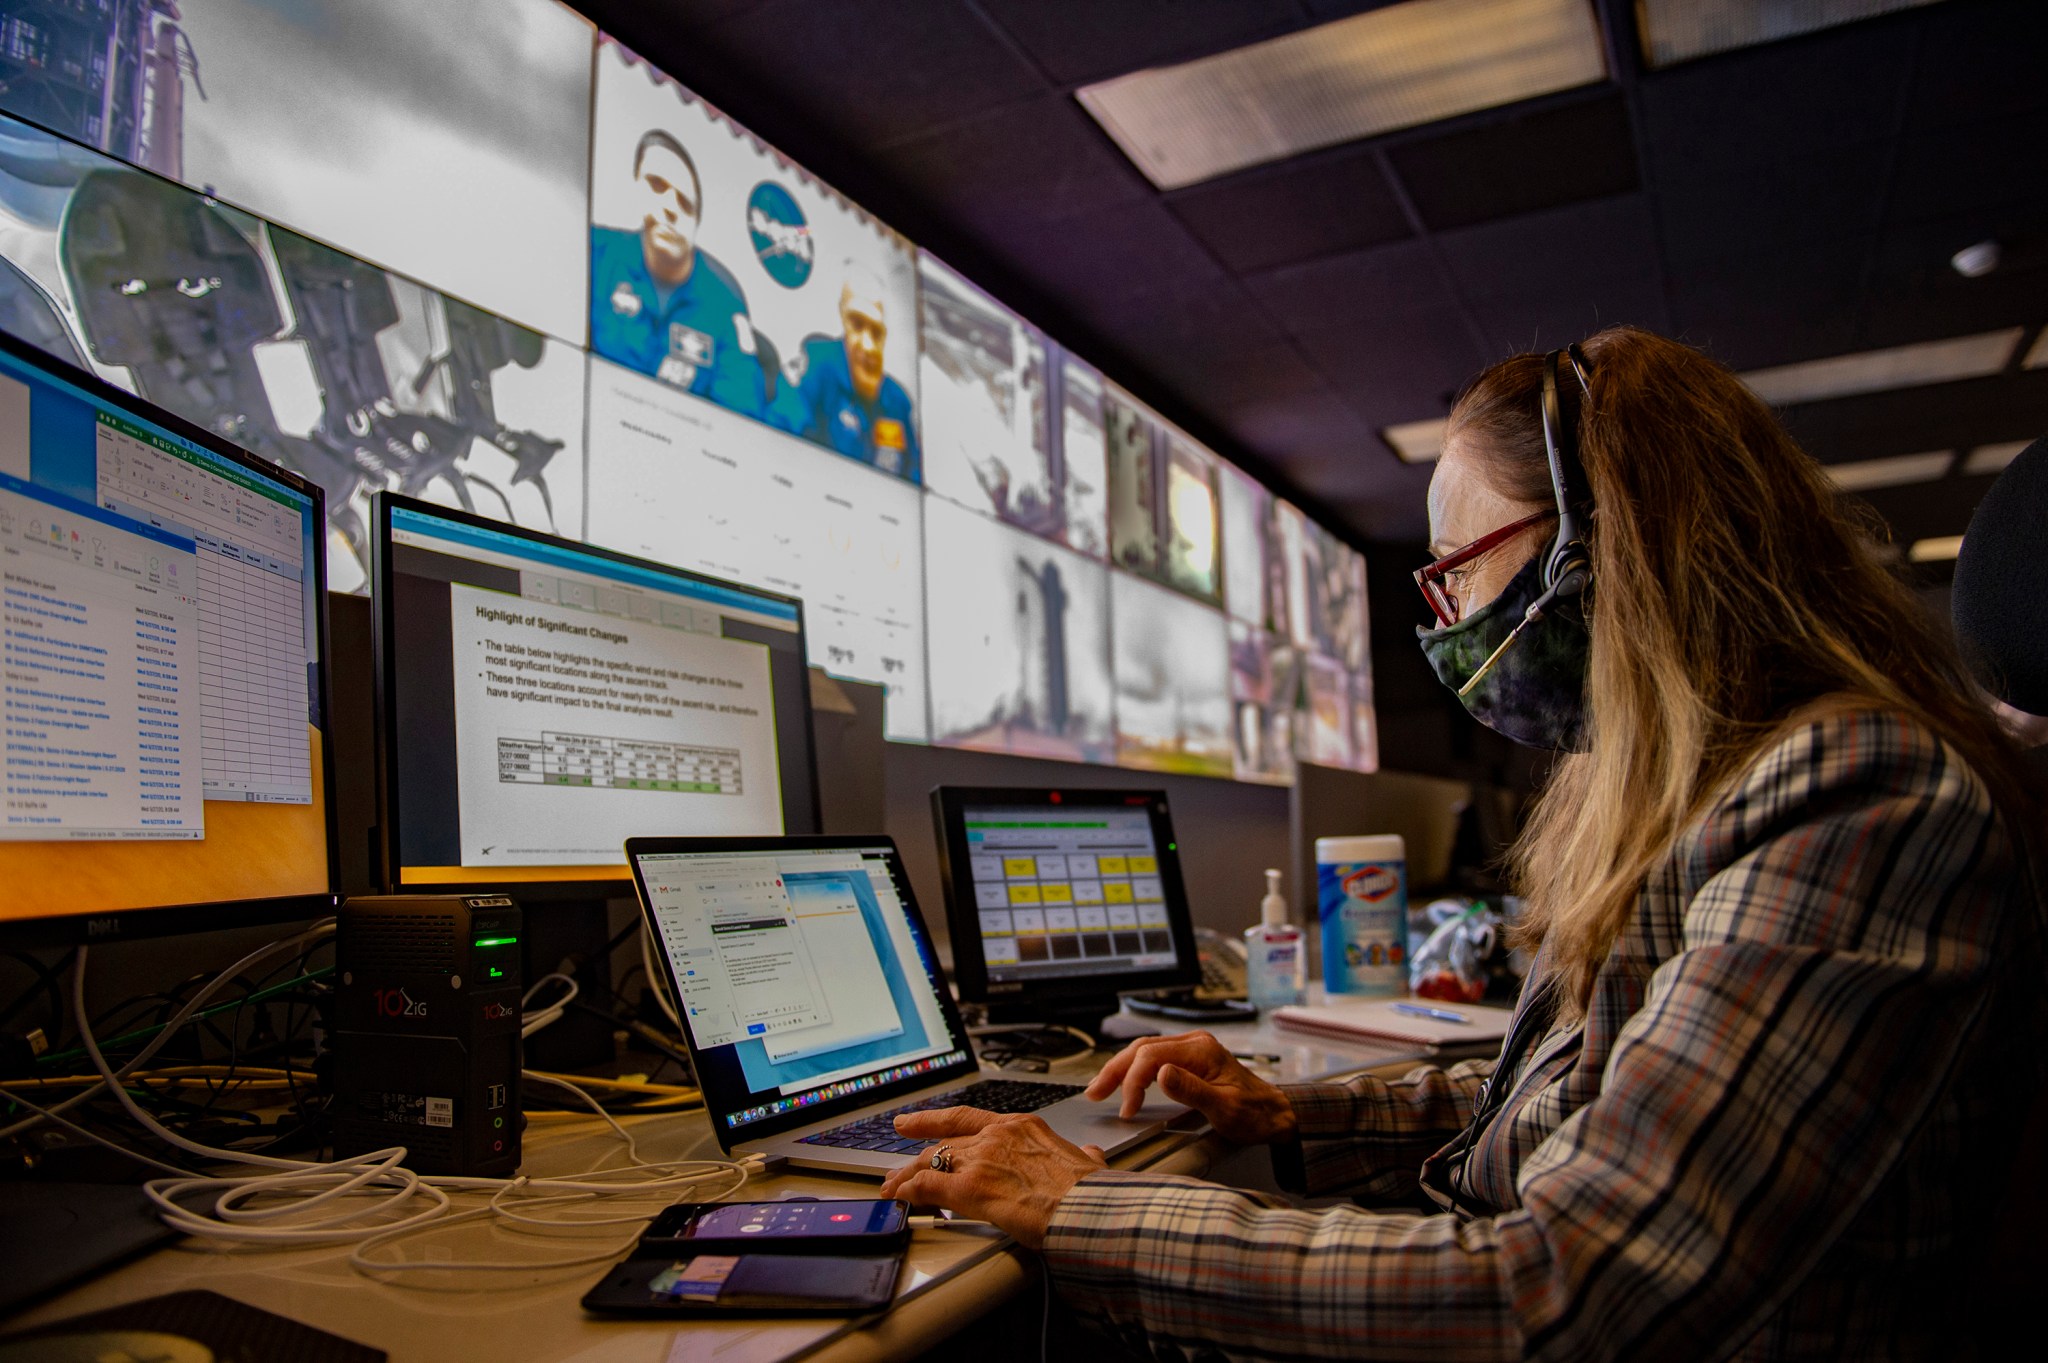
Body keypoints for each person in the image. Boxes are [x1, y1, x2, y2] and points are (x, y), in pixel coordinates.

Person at [882, 327, 2046, 1360]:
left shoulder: (1852, 794)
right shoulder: (1711, 795)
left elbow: (1573, 1289)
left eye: (1453, 575)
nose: (1444, 624)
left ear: (1591, 554)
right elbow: (1577, 1107)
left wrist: (1086, 1211)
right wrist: (1289, 1113)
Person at [588, 130, 766, 418]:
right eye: (657, 185)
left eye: (685, 203)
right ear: (636, 186)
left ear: (697, 221)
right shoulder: (595, 250)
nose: (670, 208)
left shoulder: (725, 298)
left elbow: (740, 411)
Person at [769, 264, 919, 479]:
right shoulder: (816, 364)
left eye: (876, 332)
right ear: (842, 317)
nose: (867, 345)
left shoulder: (898, 402)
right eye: (857, 325)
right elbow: (779, 435)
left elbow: (911, 475)